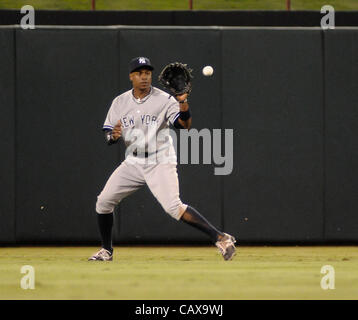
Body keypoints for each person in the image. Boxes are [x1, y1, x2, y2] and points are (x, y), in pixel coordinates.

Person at [88, 57, 236, 261]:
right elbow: (108, 134)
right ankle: (106, 251)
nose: (144, 77)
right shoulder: (120, 102)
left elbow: (184, 126)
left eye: (147, 73)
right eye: (140, 73)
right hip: (133, 161)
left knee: (173, 207)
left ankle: (220, 237)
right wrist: (112, 136)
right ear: (131, 76)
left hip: (160, 159)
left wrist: (182, 102)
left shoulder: (165, 99)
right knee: (104, 202)